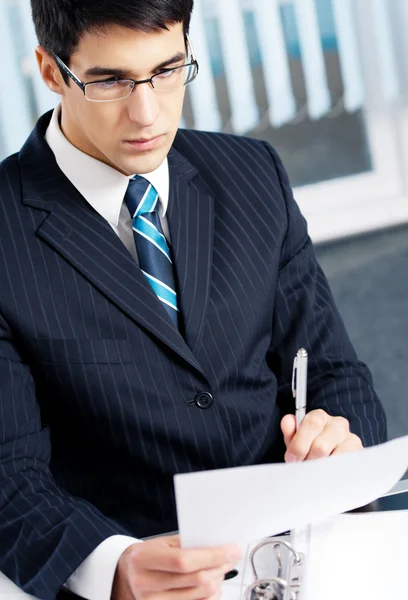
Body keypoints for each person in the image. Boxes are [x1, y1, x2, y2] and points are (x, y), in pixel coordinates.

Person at [0, 1, 386, 599]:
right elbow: (7, 475)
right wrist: (113, 568)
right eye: (110, 81)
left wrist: (339, 432)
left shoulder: (253, 171)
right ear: (51, 72)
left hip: (302, 551)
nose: (147, 113)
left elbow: (334, 368)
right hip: (135, 564)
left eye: (167, 70)